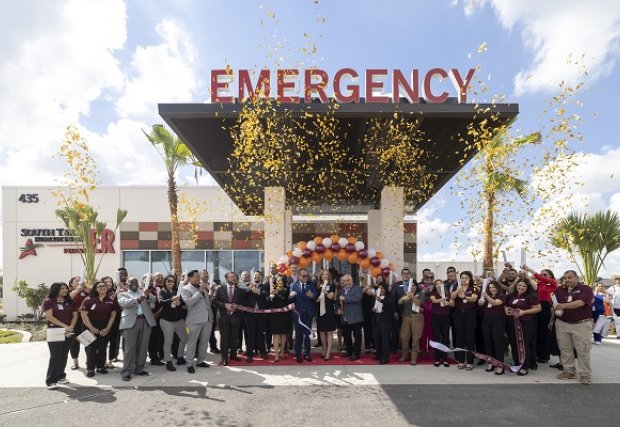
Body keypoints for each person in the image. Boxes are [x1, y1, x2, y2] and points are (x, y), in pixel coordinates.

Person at [553, 270, 595, 384]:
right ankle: (569, 371)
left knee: (583, 351)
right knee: (565, 349)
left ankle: (585, 374)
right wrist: (553, 318)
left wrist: (563, 306)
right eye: (565, 278)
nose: (567, 280)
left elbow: (581, 302)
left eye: (570, 277)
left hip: (581, 324)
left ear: (577, 277)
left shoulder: (585, 289)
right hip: (562, 324)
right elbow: (555, 305)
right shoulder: (558, 290)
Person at [117, 276, 157, 381]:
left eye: (135, 281)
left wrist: (148, 295)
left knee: (143, 346)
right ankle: (126, 372)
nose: (133, 283)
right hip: (130, 323)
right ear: (127, 284)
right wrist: (137, 300)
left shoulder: (143, 291)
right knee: (130, 348)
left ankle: (139, 369)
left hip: (145, 321)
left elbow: (154, 300)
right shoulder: (122, 293)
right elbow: (123, 303)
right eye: (131, 282)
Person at [42, 282, 78, 390]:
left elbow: (75, 315)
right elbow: (50, 317)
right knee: (55, 355)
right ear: (55, 290)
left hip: (68, 331)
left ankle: (61, 376)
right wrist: (65, 326)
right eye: (62, 288)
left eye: (66, 288)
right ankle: (51, 380)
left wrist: (71, 326)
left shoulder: (70, 301)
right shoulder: (49, 302)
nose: (65, 290)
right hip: (55, 330)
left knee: (64, 354)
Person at [81, 281, 119, 377]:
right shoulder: (88, 299)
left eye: (104, 286)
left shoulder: (111, 300)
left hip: (105, 326)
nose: (102, 287)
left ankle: (100, 367)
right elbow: (83, 315)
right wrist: (91, 328)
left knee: (103, 348)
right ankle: (90, 368)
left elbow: (113, 315)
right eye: (99, 286)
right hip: (87, 327)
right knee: (90, 348)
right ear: (95, 289)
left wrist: (108, 328)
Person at [522, 265, 558, 364]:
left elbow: (539, 278)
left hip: (546, 308)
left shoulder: (553, 283)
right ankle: (537, 354)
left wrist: (529, 269)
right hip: (537, 307)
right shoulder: (540, 284)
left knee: (544, 333)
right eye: (541, 274)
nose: (542, 276)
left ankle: (544, 355)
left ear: (551, 276)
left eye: (545, 274)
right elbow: (531, 281)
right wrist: (525, 274)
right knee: (536, 332)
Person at [180, 270, 214, 373]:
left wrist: (211, 292)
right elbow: (189, 303)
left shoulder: (202, 287)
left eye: (199, 277)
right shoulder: (185, 289)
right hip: (194, 321)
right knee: (192, 343)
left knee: (204, 342)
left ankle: (200, 361)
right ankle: (190, 363)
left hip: (207, 319)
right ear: (189, 278)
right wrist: (199, 291)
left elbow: (207, 302)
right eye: (196, 277)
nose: (199, 279)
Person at [506, 278, 541, 376]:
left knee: (523, 344)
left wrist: (524, 312)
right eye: (519, 285)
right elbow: (505, 304)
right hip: (511, 323)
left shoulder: (530, 297)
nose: (521, 287)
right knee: (513, 344)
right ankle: (517, 363)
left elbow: (538, 308)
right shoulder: (512, 296)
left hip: (526, 323)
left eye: (524, 286)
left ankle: (525, 366)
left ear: (527, 287)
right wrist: (506, 309)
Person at [213, 272, 245, 366]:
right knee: (224, 339)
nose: (234, 278)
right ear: (226, 279)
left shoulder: (240, 290)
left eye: (235, 277)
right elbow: (214, 301)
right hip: (224, 317)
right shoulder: (220, 289)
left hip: (235, 317)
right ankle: (224, 358)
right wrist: (224, 305)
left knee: (234, 338)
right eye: (232, 277)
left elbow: (243, 303)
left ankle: (233, 355)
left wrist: (237, 308)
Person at [450, 271, 478, 370]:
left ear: (470, 279)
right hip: (458, 314)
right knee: (459, 337)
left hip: (470, 314)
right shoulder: (455, 287)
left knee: (470, 338)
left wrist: (464, 296)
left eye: (466, 278)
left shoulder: (473, 288)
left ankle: (470, 361)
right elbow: (452, 297)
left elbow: (474, 299)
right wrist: (457, 291)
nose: (464, 279)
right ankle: (461, 360)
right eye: (462, 278)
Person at [289, 268, 319, 362]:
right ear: (298, 276)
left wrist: (312, 295)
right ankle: (298, 354)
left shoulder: (311, 285)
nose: (306, 277)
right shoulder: (293, 285)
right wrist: (291, 296)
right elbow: (290, 300)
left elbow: (316, 295)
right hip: (298, 315)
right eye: (303, 276)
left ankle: (307, 353)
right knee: (298, 335)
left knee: (308, 335)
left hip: (308, 314)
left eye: (307, 275)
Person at [159, 274, 187, 371]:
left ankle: (180, 357)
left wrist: (180, 303)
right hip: (166, 320)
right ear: (165, 282)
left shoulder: (177, 291)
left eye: (172, 281)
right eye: (168, 281)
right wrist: (171, 299)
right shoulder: (162, 291)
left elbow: (183, 302)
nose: (171, 283)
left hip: (179, 320)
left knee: (185, 338)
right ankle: (168, 362)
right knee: (168, 342)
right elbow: (161, 302)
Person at [397, 271, 425, 365]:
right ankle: (404, 355)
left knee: (416, 338)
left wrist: (412, 297)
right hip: (406, 317)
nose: (412, 287)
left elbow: (419, 303)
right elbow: (399, 302)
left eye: (414, 285)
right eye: (410, 285)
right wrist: (403, 298)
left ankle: (414, 358)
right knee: (404, 337)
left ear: (416, 286)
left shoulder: (420, 293)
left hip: (417, 317)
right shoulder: (406, 293)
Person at [480, 281, 506, 374]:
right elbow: (483, 306)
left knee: (497, 343)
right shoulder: (488, 297)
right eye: (490, 287)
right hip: (486, 320)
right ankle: (491, 362)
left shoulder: (502, 296)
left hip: (498, 320)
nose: (492, 289)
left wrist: (486, 296)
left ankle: (500, 365)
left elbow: (495, 303)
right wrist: (481, 301)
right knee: (488, 342)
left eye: (493, 287)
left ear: (498, 287)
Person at [243, 271, 270, 361]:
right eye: (255, 275)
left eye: (258, 276)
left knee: (261, 334)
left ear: (261, 278)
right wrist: (249, 289)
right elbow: (243, 295)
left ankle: (263, 352)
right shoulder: (248, 285)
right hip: (250, 315)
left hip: (261, 315)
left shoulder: (265, 286)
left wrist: (258, 292)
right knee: (251, 334)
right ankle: (250, 354)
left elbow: (266, 295)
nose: (256, 277)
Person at [338, 274, 364, 361]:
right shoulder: (341, 291)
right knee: (346, 336)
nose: (346, 282)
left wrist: (345, 298)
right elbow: (337, 302)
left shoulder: (357, 288)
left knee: (357, 336)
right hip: (345, 317)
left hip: (356, 317)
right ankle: (349, 351)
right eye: (344, 281)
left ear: (351, 280)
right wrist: (338, 309)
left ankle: (356, 354)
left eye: (347, 280)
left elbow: (358, 298)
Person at [429, 279, 454, 367]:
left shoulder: (448, 294)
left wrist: (448, 302)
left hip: (446, 317)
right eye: (437, 284)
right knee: (436, 337)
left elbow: (452, 304)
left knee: (445, 338)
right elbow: (434, 301)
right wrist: (441, 299)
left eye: (440, 283)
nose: (439, 285)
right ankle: (437, 358)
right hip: (436, 317)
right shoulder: (433, 293)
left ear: (443, 285)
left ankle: (445, 358)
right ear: (435, 286)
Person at [372, 276, 396, 364]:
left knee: (385, 339)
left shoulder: (389, 296)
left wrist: (381, 301)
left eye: (382, 288)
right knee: (377, 338)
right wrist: (373, 309)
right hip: (376, 319)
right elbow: (373, 307)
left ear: (385, 289)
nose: (380, 290)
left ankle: (384, 358)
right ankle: (378, 355)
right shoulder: (376, 297)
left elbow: (390, 304)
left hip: (385, 320)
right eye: (379, 288)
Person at [316, 269, 338, 360]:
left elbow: (331, 296)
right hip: (320, 311)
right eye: (323, 275)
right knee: (321, 331)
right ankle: (324, 349)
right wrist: (316, 298)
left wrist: (325, 291)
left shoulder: (332, 285)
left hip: (329, 310)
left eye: (326, 275)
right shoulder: (317, 285)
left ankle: (328, 351)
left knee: (329, 331)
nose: (325, 276)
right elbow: (315, 299)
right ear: (320, 276)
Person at [68, 276, 89, 371]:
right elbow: (68, 299)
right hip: (74, 320)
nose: (79, 282)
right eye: (76, 281)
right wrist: (78, 289)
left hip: (85, 320)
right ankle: (75, 363)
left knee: (87, 341)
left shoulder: (86, 291)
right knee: (74, 341)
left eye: (80, 280)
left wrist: (86, 288)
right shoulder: (69, 292)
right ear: (71, 284)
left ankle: (90, 362)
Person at [269, 275, 291, 362]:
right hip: (274, 315)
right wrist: (270, 297)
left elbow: (285, 294)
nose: (279, 282)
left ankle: (282, 351)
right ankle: (276, 355)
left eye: (281, 280)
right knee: (275, 334)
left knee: (283, 334)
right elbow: (268, 301)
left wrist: (276, 292)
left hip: (284, 314)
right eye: (277, 280)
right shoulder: (271, 289)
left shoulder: (287, 289)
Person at [147, 272, 165, 366]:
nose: (160, 278)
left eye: (161, 276)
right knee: (153, 339)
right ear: (153, 278)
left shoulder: (164, 289)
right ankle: (154, 358)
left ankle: (162, 355)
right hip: (152, 318)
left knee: (162, 338)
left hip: (164, 318)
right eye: (158, 276)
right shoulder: (150, 289)